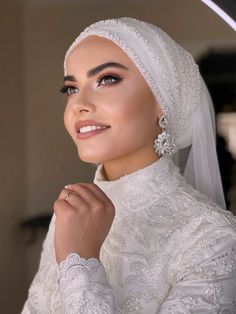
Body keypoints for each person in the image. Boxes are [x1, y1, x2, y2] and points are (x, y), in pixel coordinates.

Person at [22, 17, 236, 313]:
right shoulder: (71, 211)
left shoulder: (212, 237)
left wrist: (80, 265)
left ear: (163, 99)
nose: (78, 104)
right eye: (70, 88)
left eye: (107, 79)